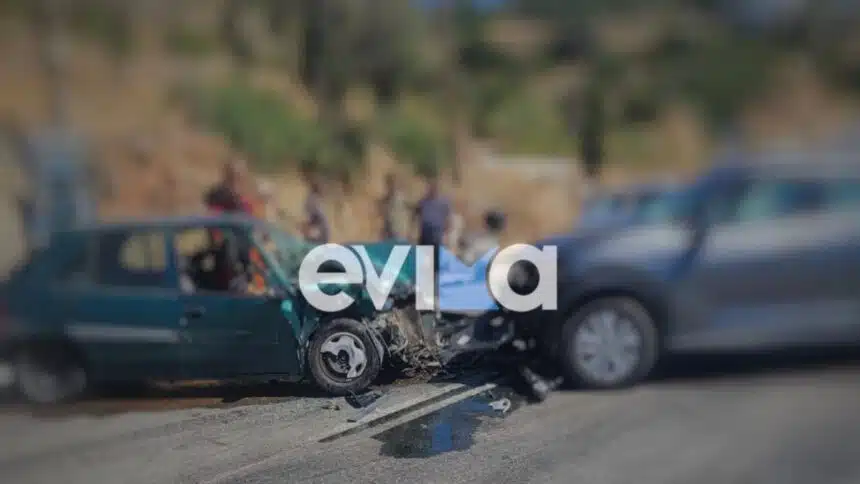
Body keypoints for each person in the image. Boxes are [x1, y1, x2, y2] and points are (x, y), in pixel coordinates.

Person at [415, 177, 451, 279]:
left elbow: (448, 219)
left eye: (434, 188)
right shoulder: (423, 202)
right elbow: (416, 216)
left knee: (436, 262)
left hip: (437, 236)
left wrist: (447, 235)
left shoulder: (443, 203)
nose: (432, 190)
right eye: (430, 187)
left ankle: (436, 280)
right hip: (424, 235)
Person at [379, 173, 411, 241]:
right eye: (389, 183)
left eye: (392, 183)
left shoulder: (401, 198)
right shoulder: (385, 199)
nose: (391, 186)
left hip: (399, 231)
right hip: (388, 231)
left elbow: (408, 214)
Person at [303, 179, 330, 243]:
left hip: (319, 230)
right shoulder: (312, 199)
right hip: (318, 229)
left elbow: (313, 214)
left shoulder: (313, 199)